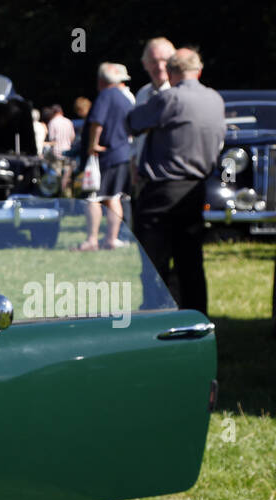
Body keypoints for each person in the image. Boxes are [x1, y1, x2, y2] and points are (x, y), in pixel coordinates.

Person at [126, 48, 225, 315]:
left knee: (154, 262)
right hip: (197, 188)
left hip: (162, 190)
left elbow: (133, 122)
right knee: (190, 261)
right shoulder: (216, 99)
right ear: (199, 71)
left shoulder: (170, 98)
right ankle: (196, 317)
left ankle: (155, 317)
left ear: (171, 72)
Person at [77, 63, 133, 250]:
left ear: (100, 81)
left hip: (105, 156)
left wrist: (92, 144)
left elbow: (97, 122)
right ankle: (112, 238)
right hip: (123, 153)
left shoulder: (105, 96)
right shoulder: (125, 99)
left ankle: (92, 240)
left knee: (93, 197)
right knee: (114, 197)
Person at [131, 36, 174, 192]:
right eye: (154, 61)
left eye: (165, 60)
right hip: (144, 176)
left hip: (171, 176)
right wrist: (133, 161)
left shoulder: (180, 95)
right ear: (145, 64)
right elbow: (136, 136)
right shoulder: (142, 94)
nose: (160, 66)